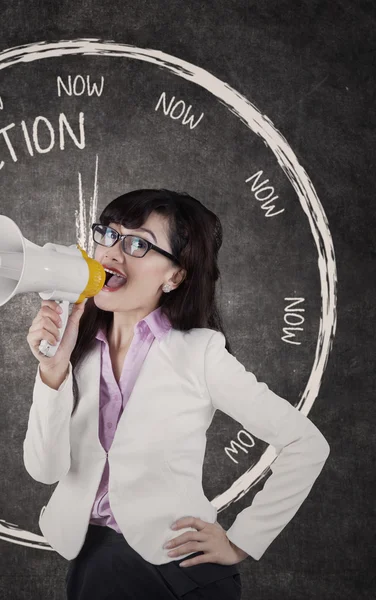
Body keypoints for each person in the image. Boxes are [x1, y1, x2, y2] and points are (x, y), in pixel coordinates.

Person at [24, 189, 330, 599]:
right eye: (108, 234)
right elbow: (44, 470)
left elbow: (305, 443)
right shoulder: (73, 348)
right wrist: (51, 372)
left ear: (175, 276)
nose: (112, 253)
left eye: (138, 243)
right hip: (91, 564)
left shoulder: (201, 352)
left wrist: (241, 540)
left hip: (180, 574)